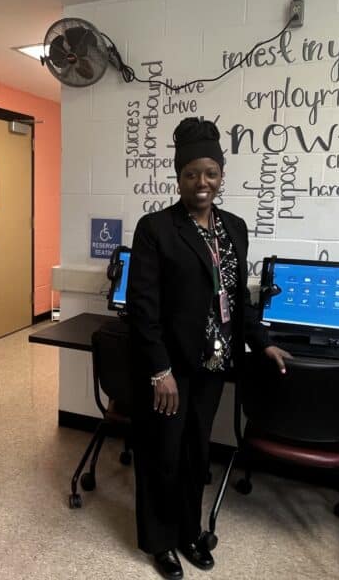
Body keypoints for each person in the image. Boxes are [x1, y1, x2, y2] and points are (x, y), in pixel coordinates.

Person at [127, 117, 290, 579]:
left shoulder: (235, 228)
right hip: (171, 370)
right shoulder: (155, 229)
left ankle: (188, 531)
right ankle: (159, 542)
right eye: (191, 174)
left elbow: (238, 300)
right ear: (178, 178)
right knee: (163, 454)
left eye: (210, 173)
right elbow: (143, 307)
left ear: (222, 176)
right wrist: (160, 371)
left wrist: (263, 342)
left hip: (213, 367)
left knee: (197, 455)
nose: (202, 182)